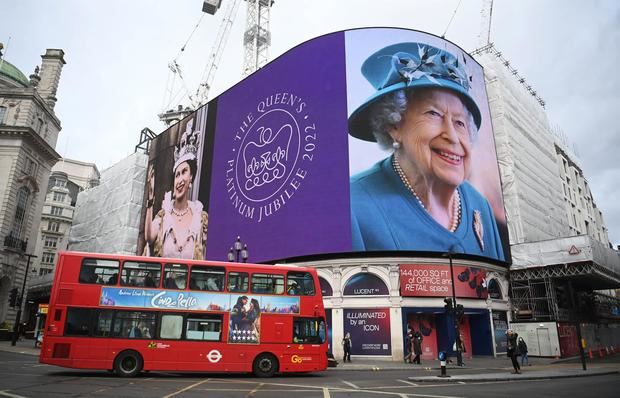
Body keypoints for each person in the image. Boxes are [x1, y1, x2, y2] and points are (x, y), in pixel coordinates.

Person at [348, 42, 505, 262]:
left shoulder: (480, 206)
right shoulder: (353, 205)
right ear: (394, 126)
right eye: (433, 113)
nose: (452, 135)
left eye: (460, 122)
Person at [144, 119, 208, 260]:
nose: (179, 180)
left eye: (184, 172)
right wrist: (150, 200)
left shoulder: (200, 218)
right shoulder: (163, 214)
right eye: (177, 175)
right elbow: (149, 237)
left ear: (191, 177)